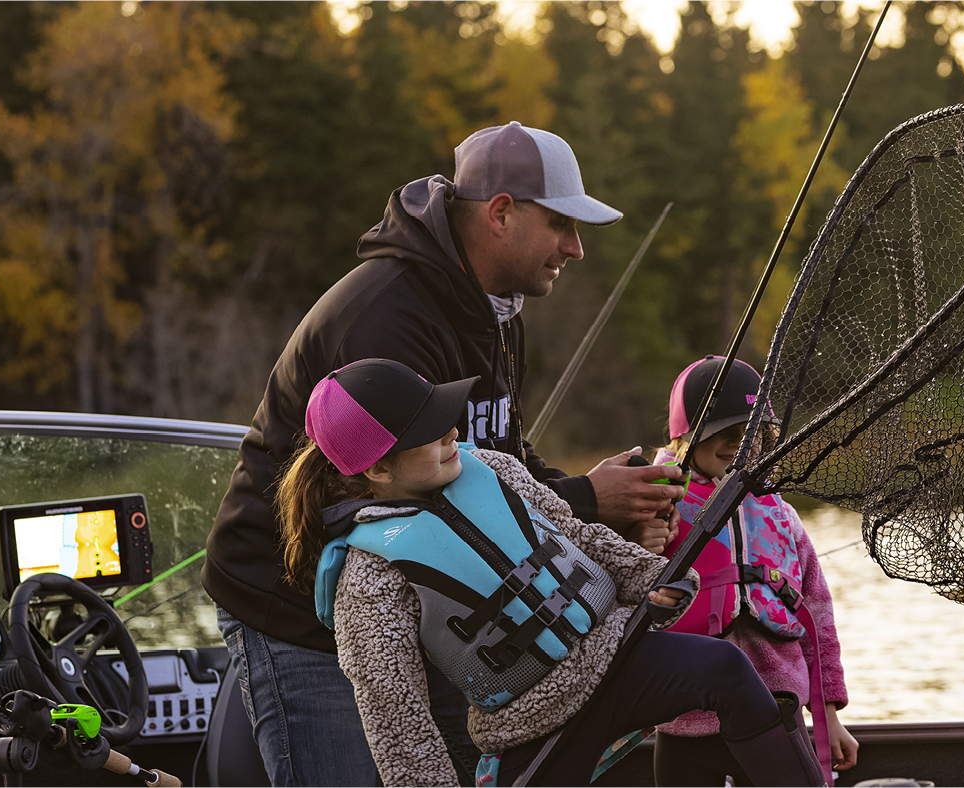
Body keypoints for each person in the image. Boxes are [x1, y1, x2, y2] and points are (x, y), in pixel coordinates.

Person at [203, 122, 683, 785]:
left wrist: (606, 507)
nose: (575, 249)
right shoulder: (388, 320)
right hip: (298, 606)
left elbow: (496, 452)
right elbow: (412, 495)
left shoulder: (495, 311)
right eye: (561, 225)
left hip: (422, 599)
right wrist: (587, 499)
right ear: (502, 213)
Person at [278, 358, 826, 787]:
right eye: (429, 428)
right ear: (378, 467)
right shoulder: (367, 574)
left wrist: (649, 578)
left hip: (617, 653)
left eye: (443, 412)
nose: (450, 429)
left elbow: (575, 534)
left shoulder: (490, 467)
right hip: (530, 724)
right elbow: (397, 721)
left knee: (727, 670)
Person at [651, 356, 859, 786]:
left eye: (749, 431)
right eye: (720, 432)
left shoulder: (781, 516)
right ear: (684, 438)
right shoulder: (656, 507)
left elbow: (818, 617)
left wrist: (829, 716)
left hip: (774, 715)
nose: (736, 443)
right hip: (682, 722)